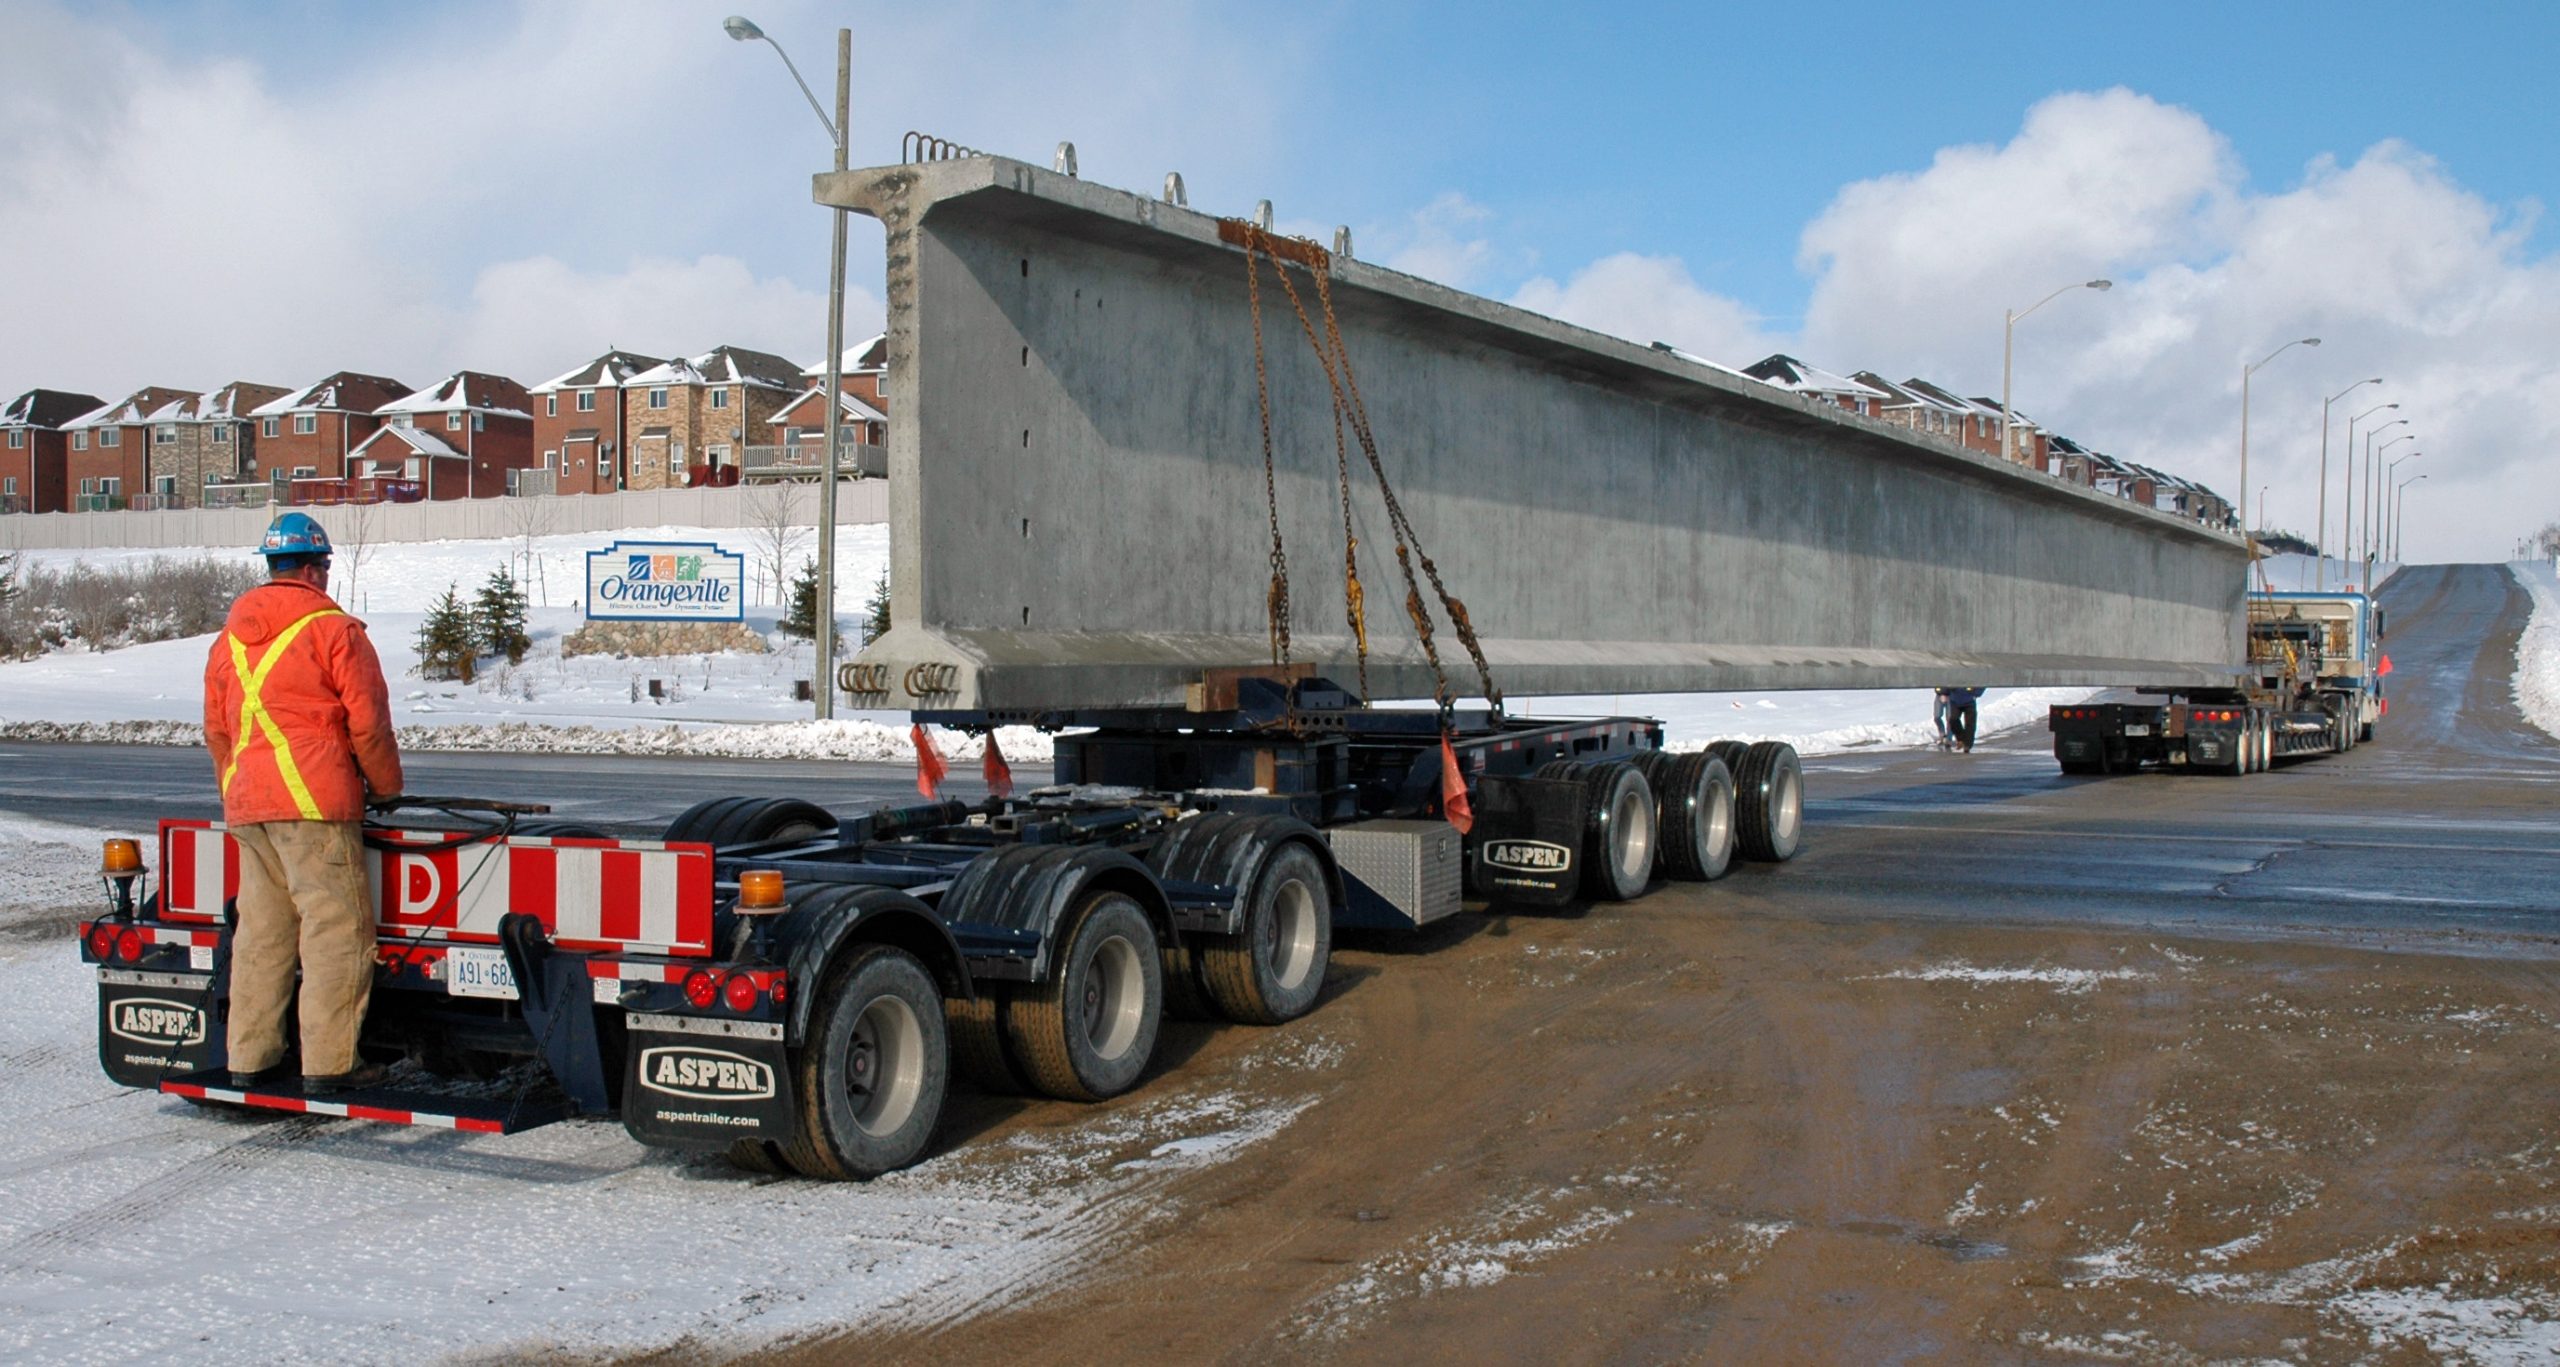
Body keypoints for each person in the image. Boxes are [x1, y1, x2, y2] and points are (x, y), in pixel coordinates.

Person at [203, 513, 403, 1095]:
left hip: (248, 804)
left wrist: (237, 789)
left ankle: (250, 1059)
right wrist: (386, 787)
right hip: (314, 803)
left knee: (261, 935)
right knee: (335, 932)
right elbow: (368, 723)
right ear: (316, 569)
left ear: (272, 567)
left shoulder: (230, 637)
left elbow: (218, 729)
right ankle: (330, 1065)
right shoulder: (334, 630)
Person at [1943, 686, 1984, 753]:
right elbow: (1945, 682)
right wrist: (1945, 691)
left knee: (1970, 724)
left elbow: (1982, 682)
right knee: (1953, 720)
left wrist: (1976, 693)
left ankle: (1967, 745)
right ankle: (1961, 739)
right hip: (1954, 700)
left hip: (1969, 701)